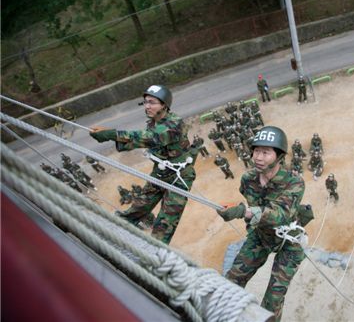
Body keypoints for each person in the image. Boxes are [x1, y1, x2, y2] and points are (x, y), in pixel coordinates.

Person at [217, 126, 307, 321]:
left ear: (279, 156)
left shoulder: (294, 182)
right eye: (256, 151)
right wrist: (235, 210)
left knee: (272, 303)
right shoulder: (248, 179)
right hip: (261, 236)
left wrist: (243, 212)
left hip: (289, 243)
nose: (258, 157)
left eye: (266, 152)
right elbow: (250, 200)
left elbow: (280, 215)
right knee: (231, 282)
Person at [89, 85, 196, 244]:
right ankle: (109, 236)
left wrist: (113, 135)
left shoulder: (175, 124)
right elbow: (147, 140)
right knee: (137, 208)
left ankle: (155, 256)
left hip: (179, 178)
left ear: (164, 105)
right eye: (145, 102)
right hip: (161, 173)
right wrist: (114, 138)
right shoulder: (153, 123)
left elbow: (151, 137)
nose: (147, 106)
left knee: (163, 227)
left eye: (152, 102)